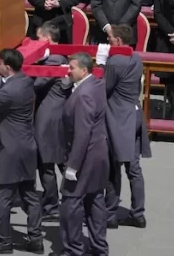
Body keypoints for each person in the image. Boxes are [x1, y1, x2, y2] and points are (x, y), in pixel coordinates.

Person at [0, 50, 44, 254]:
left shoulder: (8, 92)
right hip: (28, 148)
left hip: (10, 151)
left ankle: (3, 242)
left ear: (8, 67)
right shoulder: (25, 81)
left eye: (0, 64)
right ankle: (36, 239)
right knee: (29, 195)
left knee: (1, 197)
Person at [60, 52, 109, 256]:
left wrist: (72, 166)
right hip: (98, 154)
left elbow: (82, 133)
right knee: (95, 200)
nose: (68, 71)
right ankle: (99, 247)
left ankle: (73, 249)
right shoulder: (96, 84)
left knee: (71, 202)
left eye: (72, 68)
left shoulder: (84, 95)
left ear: (84, 70)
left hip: (85, 157)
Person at [102, 25, 151, 229]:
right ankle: (138, 213)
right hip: (134, 114)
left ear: (119, 41)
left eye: (110, 38)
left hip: (118, 119)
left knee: (114, 167)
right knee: (134, 168)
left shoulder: (114, 62)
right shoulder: (136, 58)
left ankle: (110, 214)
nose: (108, 41)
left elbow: (104, 88)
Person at [33, 22, 71, 221]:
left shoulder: (52, 61)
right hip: (56, 115)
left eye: (38, 38)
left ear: (47, 39)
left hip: (48, 118)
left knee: (47, 162)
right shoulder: (60, 57)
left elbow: (36, 84)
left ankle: (52, 205)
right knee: (60, 160)